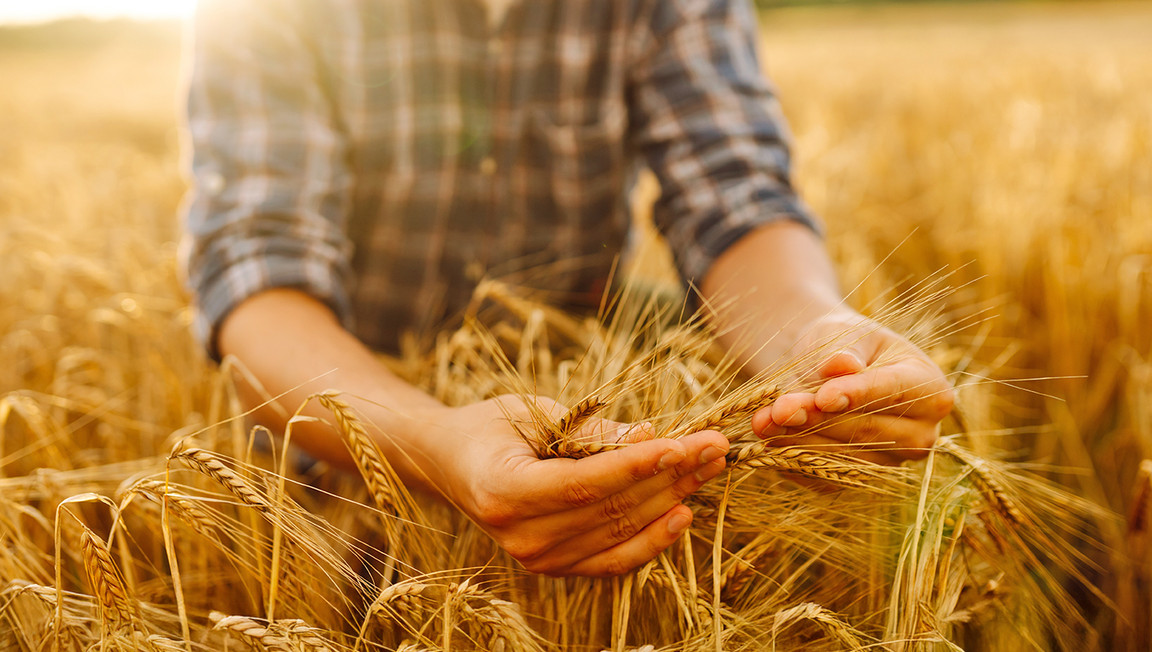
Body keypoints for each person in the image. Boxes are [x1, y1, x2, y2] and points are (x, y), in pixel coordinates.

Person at [181, 0, 954, 577]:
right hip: (337, 424)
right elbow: (258, 272)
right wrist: (435, 444)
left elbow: (736, 201)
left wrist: (814, 346)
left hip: (574, 404)